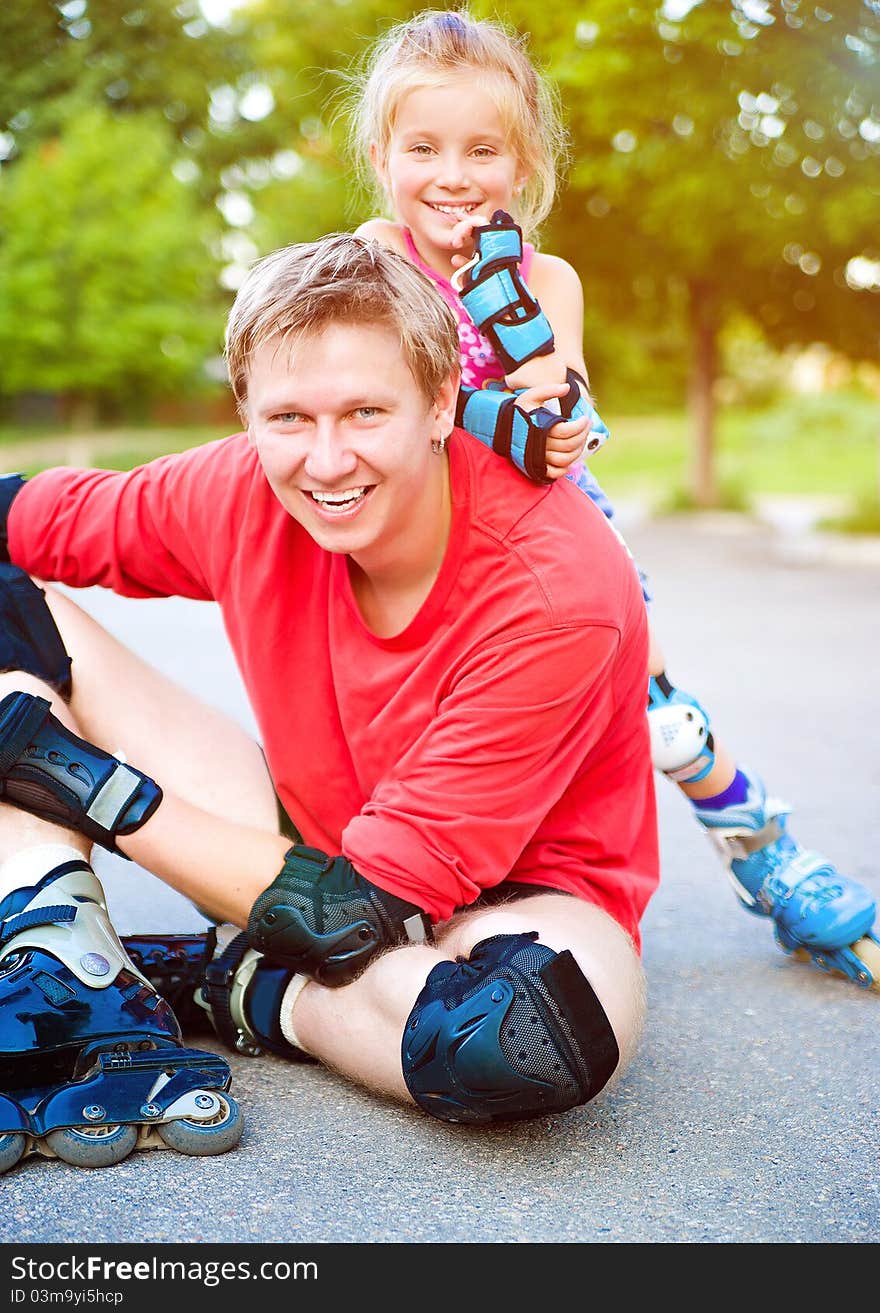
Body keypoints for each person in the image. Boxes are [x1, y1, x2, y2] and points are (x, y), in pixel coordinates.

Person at [0, 232, 658, 1136]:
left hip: (513, 898)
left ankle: (245, 985)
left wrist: (70, 776)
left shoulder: (559, 588)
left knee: (517, 1040)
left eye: (365, 413)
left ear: (439, 403)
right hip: (298, 835)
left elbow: (355, 909)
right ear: (246, 412)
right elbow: (31, 516)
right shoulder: (239, 486)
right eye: (290, 420)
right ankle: (52, 948)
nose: (327, 460)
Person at [349, 7, 878, 989]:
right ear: (383, 156)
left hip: (543, 511)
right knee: (417, 704)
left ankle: (764, 850)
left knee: (658, 710)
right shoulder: (377, 253)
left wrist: (544, 391)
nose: (451, 175)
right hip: (422, 516)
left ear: (523, 161)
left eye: (481, 150)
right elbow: (375, 381)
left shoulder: (545, 274)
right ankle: (406, 869)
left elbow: (567, 397)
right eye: (423, 147)